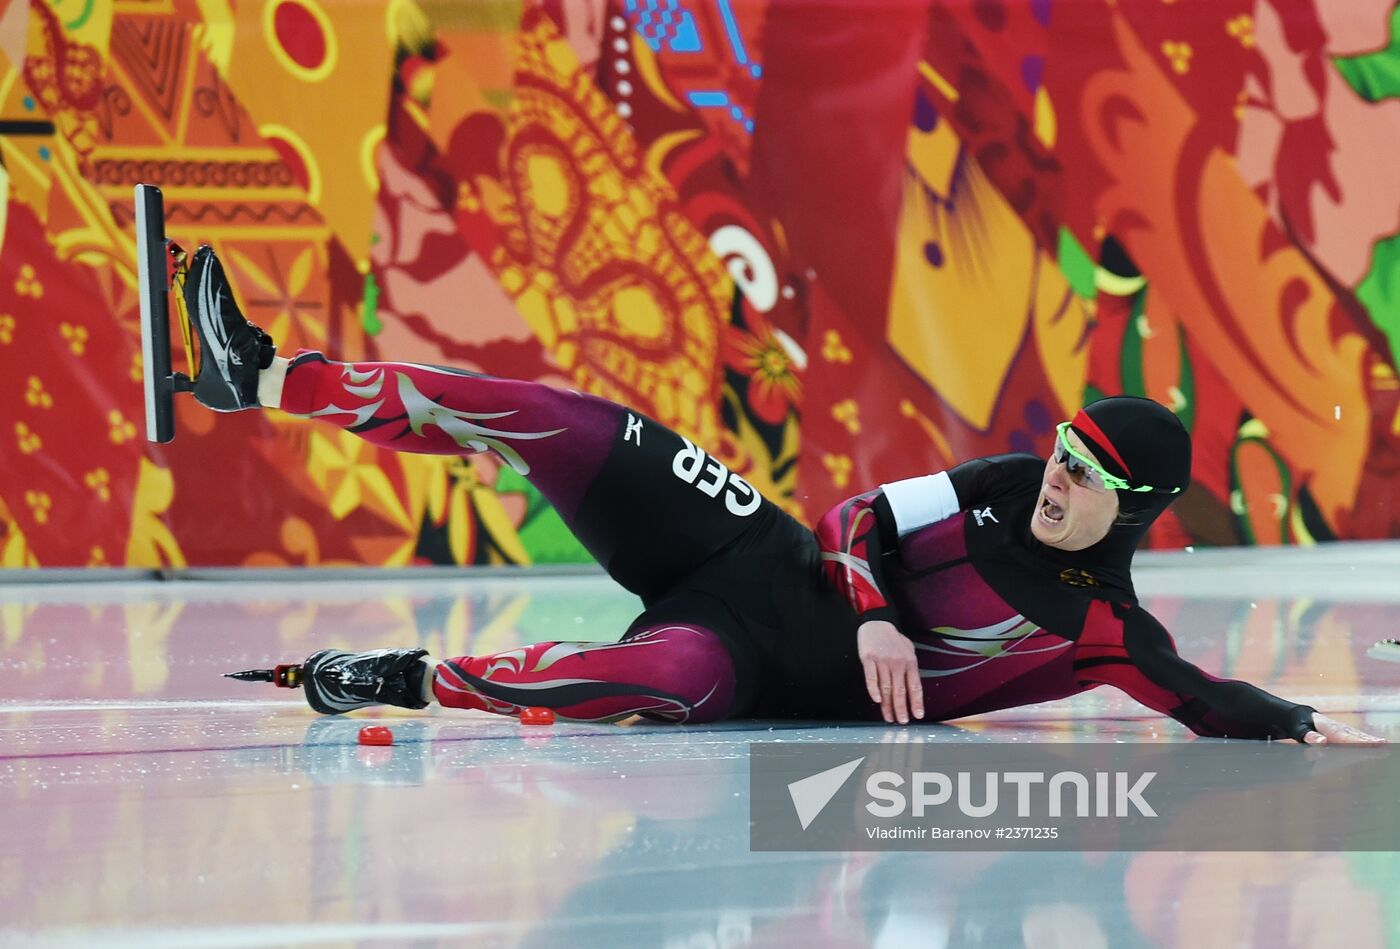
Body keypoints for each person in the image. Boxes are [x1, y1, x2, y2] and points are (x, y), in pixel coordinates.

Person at [180, 245, 1381, 743]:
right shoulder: (1006, 484)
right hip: (744, 541)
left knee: (647, 682)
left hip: (752, 664)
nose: (1052, 484)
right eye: (1060, 452)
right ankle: (268, 373)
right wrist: (868, 610)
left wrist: (1299, 724)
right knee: (559, 416)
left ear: (1131, 509)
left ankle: (393, 679)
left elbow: (1206, 699)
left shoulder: (1102, 632)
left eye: (1083, 480)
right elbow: (853, 518)